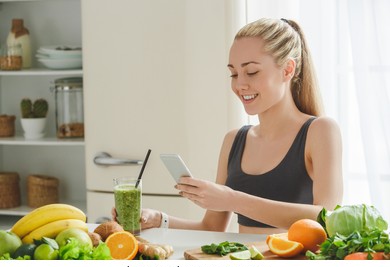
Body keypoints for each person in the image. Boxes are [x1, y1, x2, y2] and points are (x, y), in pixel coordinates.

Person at [113, 18, 343, 234]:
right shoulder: (234, 140)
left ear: (287, 69)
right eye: (233, 73)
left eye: (251, 71)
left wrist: (232, 199)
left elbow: (326, 218)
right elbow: (211, 228)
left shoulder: (320, 131)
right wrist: (157, 219)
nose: (240, 84)